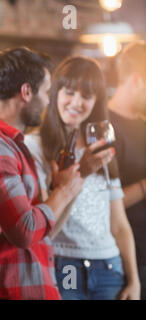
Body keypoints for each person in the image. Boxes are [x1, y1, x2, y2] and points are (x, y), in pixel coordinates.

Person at [0, 47, 84, 300]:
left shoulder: (9, 144)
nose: (48, 101)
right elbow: (24, 231)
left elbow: (41, 232)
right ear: (26, 92)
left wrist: (64, 190)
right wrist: (63, 191)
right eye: (46, 92)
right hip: (7, 292)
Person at [25, 56, 140, 300]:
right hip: (64, 266)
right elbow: (44, 230)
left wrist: (134, 280)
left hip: (110, 269)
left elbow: (119, 224)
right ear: (55, 93)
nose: (76, 102)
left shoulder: (101, 147)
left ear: (96, 101)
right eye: (69, 92)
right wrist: (82, 172)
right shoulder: (34, 145)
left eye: (86, 96)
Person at [108, 41, 146, 299]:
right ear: (136, 80)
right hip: (129, 256)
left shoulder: (144, 123)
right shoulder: (102, 127)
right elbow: (105, 201)